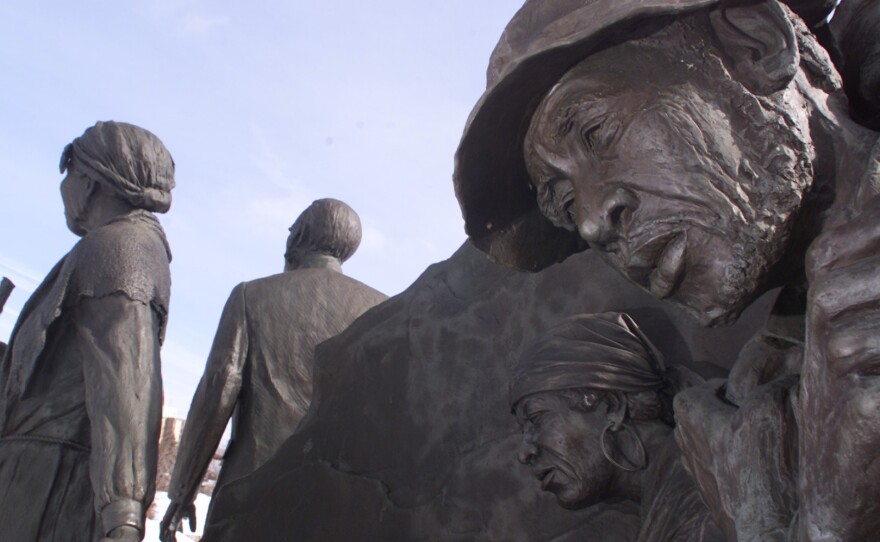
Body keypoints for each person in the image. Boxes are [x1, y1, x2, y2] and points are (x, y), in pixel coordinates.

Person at [453, 1, 880, 540]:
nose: (589, 223)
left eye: (596, 132)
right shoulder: (753, 411)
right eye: (563, 204)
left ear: (755, 44)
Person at [160, 198, 387, 541]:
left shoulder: (251, 297)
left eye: (292, 231)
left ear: (299, 238)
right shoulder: (382, 312)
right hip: (342, 511)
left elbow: (217, 393)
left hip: (249, 504)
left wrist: (182, 493)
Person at [0, 121, 175, 542]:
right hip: (36, 481)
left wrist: (124, 519)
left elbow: (127, 388)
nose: (63, 189)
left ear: (89, 178)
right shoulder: (110, 245)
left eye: (67, 172)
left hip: (48, 492)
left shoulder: (121, 247)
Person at [511, 312, 723, 542]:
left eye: (536, 418)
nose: (524, 453)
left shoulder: (712, 490)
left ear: (613, 406)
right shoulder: (671, 505)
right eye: (524, 430)